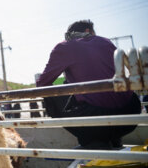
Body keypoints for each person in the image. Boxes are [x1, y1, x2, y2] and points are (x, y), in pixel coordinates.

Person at [36, 20, 141, 150]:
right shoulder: (106, 42)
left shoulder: (65, 46)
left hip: (96, 121)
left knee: (49, 94)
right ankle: (114, 140)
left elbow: (42, 83)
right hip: (130, 114)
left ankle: (93, 141)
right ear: (88, 31)